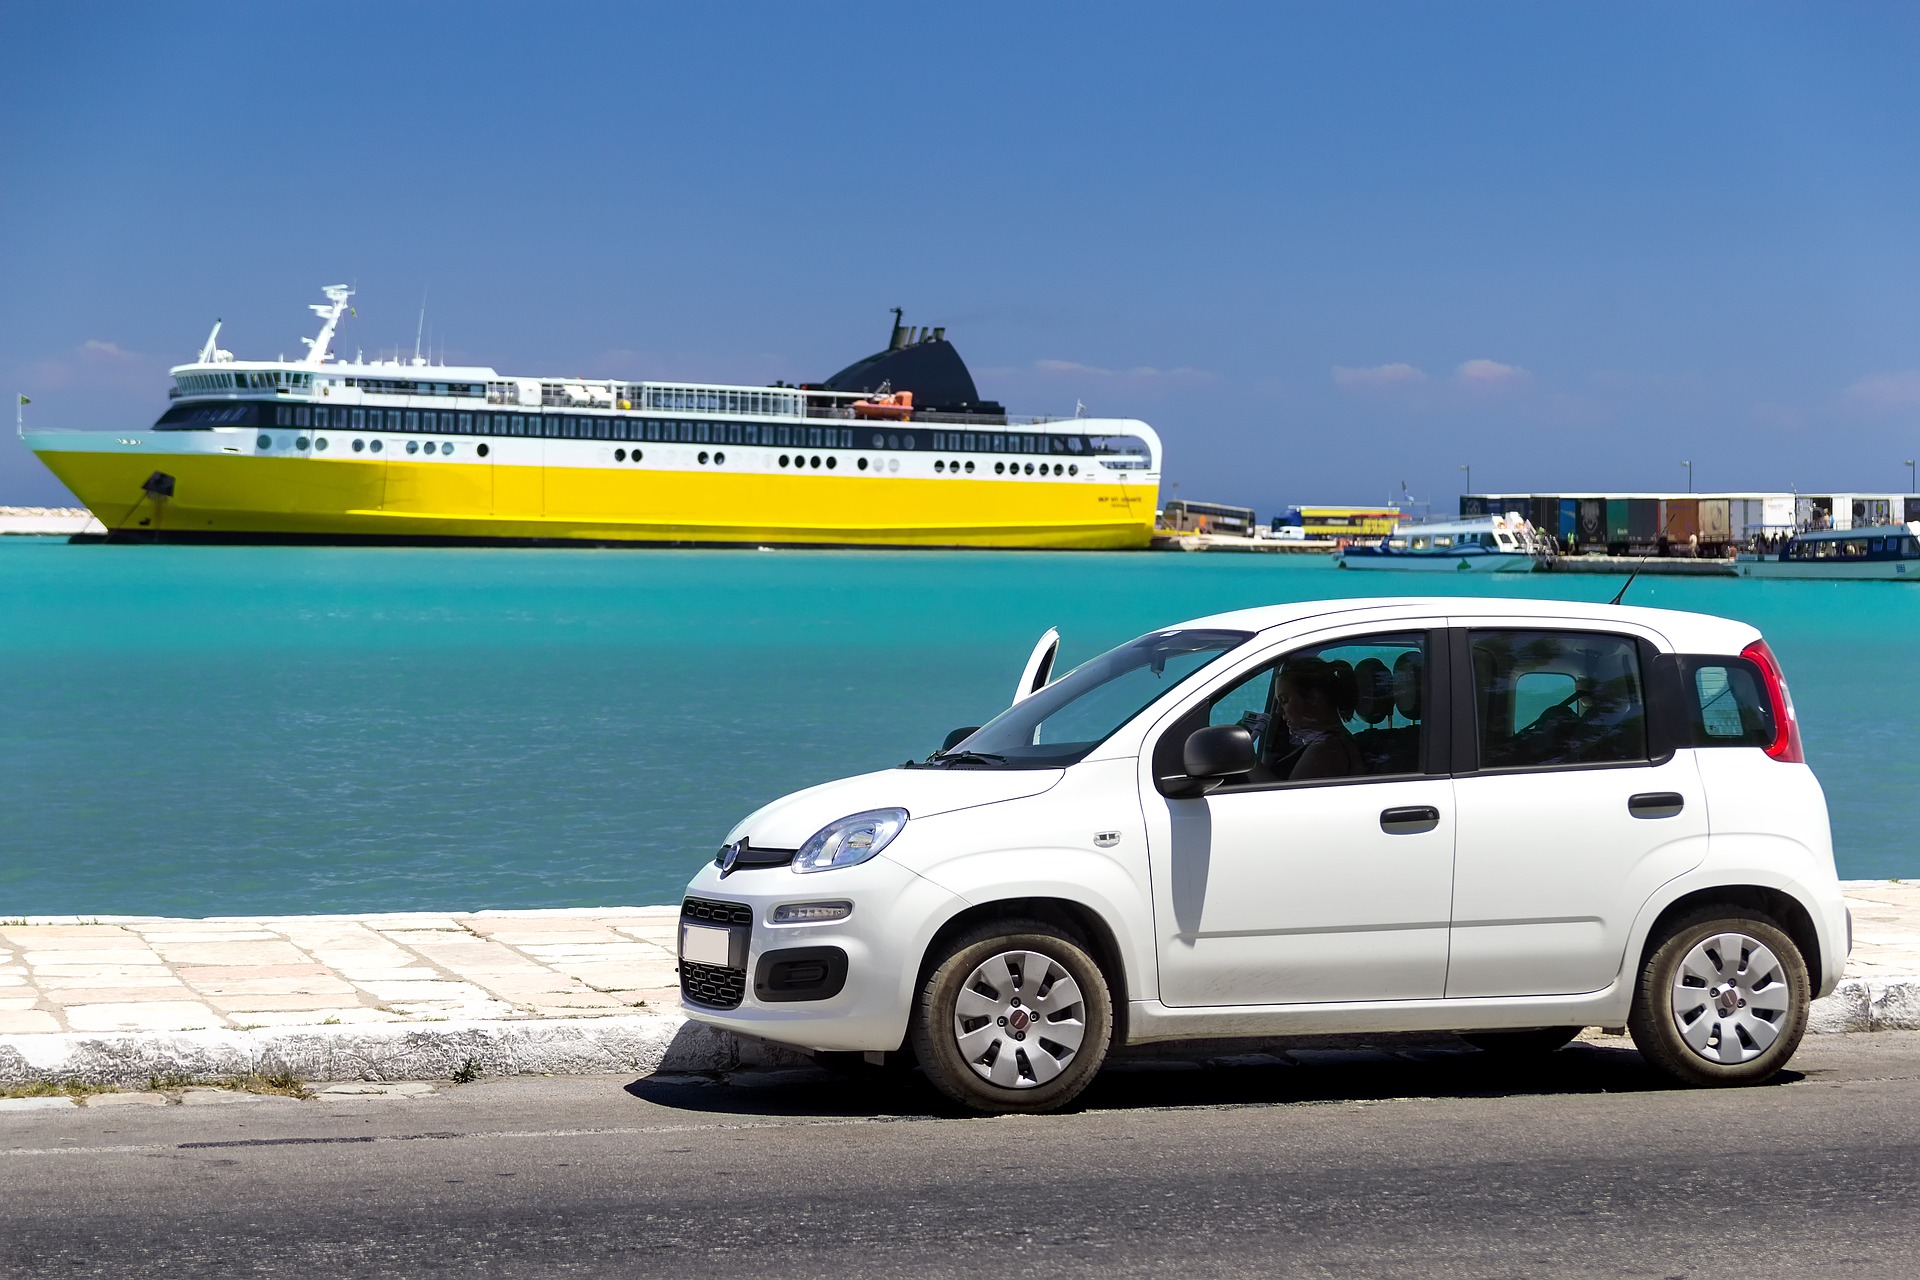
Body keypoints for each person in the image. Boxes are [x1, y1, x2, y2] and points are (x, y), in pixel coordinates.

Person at [1275, 657, 1365, 781]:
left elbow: (1285, 798)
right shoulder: (1333, 742)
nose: (1278, 711)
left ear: (1313, 697)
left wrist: (1249, 761)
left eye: (1284, 700)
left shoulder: (1326, 748)